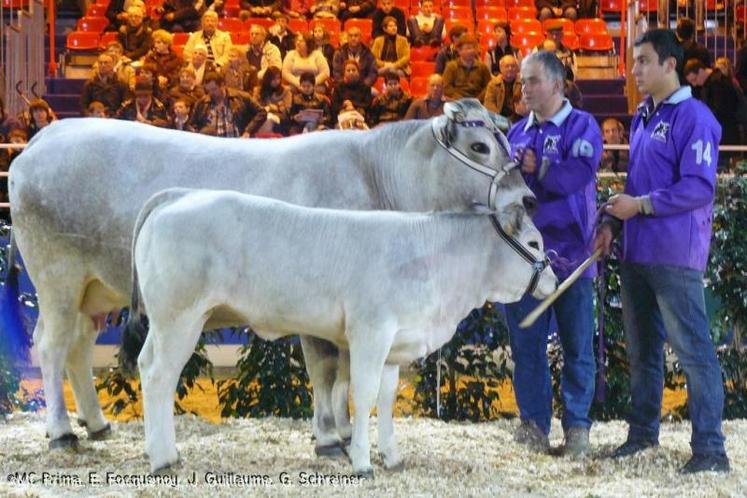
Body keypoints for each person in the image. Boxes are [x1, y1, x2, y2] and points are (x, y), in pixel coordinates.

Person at [594, 28, 729, 474]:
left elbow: (698, 187)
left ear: (670, 64)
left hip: (674, 255)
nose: (634, 70)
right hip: (637, 252)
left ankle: (710, 451)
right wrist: (615, 220)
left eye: (643, 61)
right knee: (643, 352)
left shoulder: (697, 118)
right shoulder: (644, 115)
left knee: (693, 352)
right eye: (634, 62)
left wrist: (641, 207)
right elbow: (636, 184)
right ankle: (642, 434)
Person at [505, 50, 602, 456]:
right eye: (522, 81)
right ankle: (533, 424)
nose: (524, 88)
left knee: (577, 344)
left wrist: (539, 167)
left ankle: (577, 427)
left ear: (557, 85)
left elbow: (577, 174)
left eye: (532, 81)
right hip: (525, 260)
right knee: (526, 344)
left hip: (573, 255)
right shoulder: (514, 133)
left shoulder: (582, 125)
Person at [684, 59, 747, 147]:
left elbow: (721, 113)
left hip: (726, 137)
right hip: (724, 135)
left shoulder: (718, 83)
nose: (694, 84)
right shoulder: (712, 83)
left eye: (694, 79)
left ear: (701, 71)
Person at [190, 71, 268, 137]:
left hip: (237, 141)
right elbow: (193, 125)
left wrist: (248, 131)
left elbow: (262, 112)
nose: (211, 93)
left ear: (222, 85)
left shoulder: (241, 97)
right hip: (212, 144)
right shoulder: (202, 103)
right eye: (208, 90)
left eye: (214, 89)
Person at [442, 34, 491, 100]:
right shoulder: (451, 67)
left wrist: (478, 99)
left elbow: (489, 86)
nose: (472, 51)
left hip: (477, 103)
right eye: (468, 48)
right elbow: (446, 87)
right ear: (459, 51)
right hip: (457, 102)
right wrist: (460, 99)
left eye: (473, 48)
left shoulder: (482, 67)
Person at [330, 59, 373, 124]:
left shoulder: (365, 88)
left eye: (353, 70)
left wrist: (352, 104)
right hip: (343, 116)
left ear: (358, 72)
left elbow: (368, 104)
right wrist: (345, 105)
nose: (351, 72)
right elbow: (334, 106)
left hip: (360, 116)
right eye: (348, 70)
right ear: (344, 73)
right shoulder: (338, 88)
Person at [253, 66, 293, 134]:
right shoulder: (258, 90)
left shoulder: (286, 91)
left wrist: (275, 108)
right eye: (274, 79)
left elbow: (287, 109)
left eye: (278, 78)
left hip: (280, 117)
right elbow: (254, 106)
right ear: (268, 79)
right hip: (263, 115)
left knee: (270, 120)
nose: (277, 81)